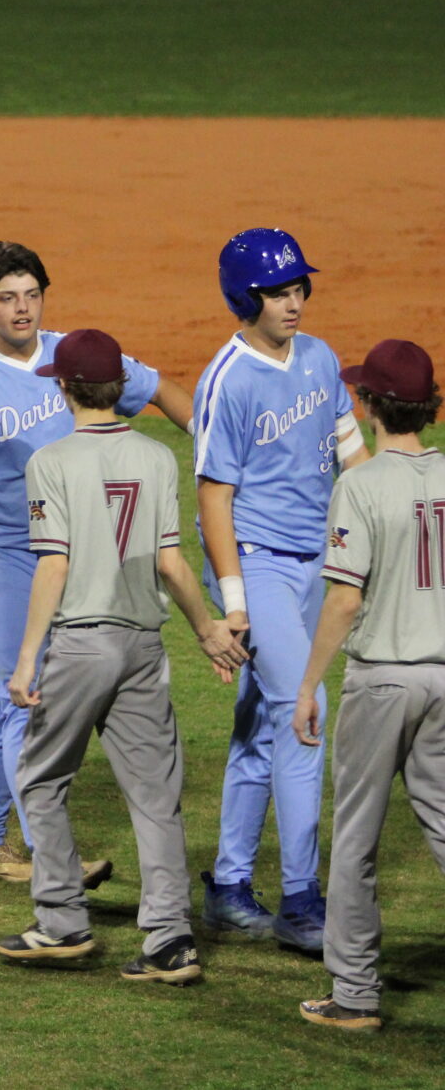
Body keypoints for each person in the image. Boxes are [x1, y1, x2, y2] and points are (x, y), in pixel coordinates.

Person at [0, 241, 189, 883]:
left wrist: (220, 459)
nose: (23, 310)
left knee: (10, 694)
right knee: (29, 696)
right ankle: (53, 859)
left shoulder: (75, 359)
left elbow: (161, 391)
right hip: (4, 558)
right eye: (7, 299)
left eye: (32, 295)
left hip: (74, 553)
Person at [0, 329, 247, 983]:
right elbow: (170, 561)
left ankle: (61, 921)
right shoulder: (158, 457)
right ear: (119, 389)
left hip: (81, 645)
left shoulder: (48, 461)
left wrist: (26, 661)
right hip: (142, 645)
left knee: (40, 780)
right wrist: (206, 628)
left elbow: (55, 563)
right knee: (155, 794)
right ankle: (170, 940)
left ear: (65, 387)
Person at [194, 228, 366, 951]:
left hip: (313, 565)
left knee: (262, 722)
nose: (293, 301)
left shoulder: (321, 357)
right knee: (306, 708)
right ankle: (302, 901)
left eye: (300, 288)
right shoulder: (226, 379)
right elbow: (212, 499)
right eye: (278, 291)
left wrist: (373, 540)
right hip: (255, 563)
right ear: (245, 297)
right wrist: (234, 601)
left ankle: (231, 885)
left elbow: (352, 455)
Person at [291, 339, 445, 1031]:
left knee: (355, 838)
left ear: (370, 403)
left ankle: (353, 993)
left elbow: (344, 599)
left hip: (382, 681)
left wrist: (307, 685)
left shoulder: (359, 484)